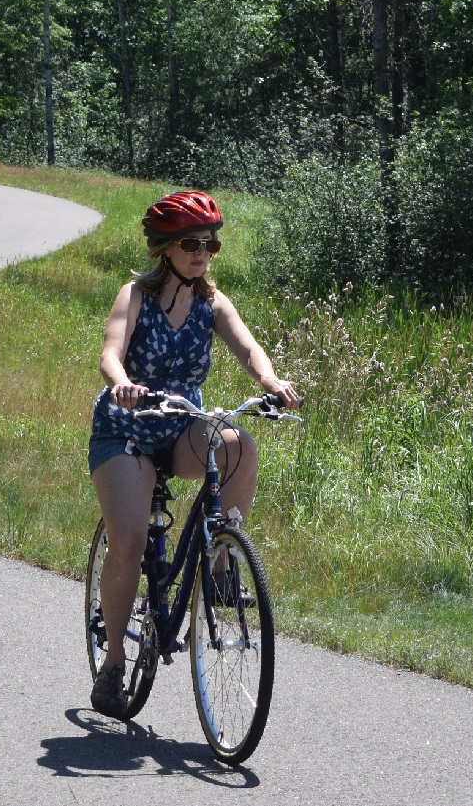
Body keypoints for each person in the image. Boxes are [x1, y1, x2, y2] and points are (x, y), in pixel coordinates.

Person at [87, 189, 300, 718]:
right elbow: (111, 352)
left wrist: (269, 379)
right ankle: (114, 662)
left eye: (210, 242)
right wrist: (123, 383)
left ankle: (222, 557)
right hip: (127, 428)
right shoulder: (135, 294)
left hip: (183, 422)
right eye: (191, 242)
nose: (203, 251)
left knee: (237, 446)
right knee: (132, 537)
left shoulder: (211, 301)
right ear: (164, 247)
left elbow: (248, 348)